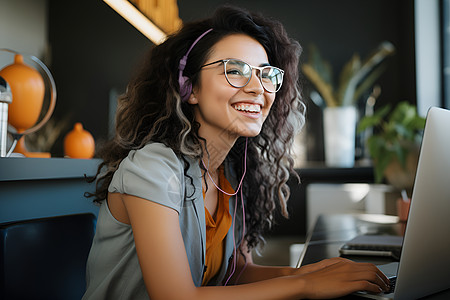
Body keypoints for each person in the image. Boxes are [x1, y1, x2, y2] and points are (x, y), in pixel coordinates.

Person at [82, 5, 390, 300]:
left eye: (266, 73)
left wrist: (309, 272)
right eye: (236, 70)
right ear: (190, 88)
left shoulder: (230, 173)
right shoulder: (153, 167)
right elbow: (174, 296)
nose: (258, 88)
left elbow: (237, 274)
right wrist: (305, 284)